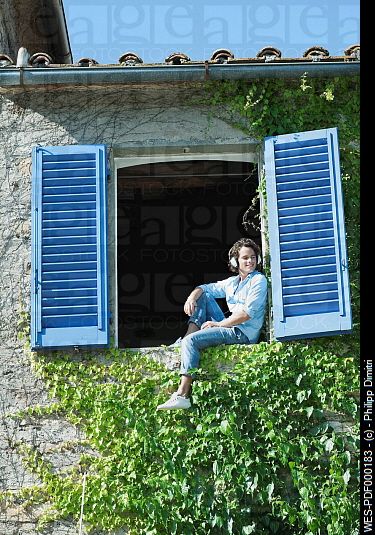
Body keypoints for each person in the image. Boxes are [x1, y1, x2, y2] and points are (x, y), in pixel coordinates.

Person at [157, 238, 268, 410]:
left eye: (253, 257)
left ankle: (183, 394)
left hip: (243, 333)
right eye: (245, 257)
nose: (250, 261)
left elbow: (246, 315)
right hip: (231, 325)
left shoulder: (258, 280)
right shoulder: (232, 282)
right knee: (204, 296)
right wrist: (191, 297)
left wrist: (219, 325)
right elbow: (205, 288)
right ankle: (189, 334)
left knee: (190, 342)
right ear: (235, 261)